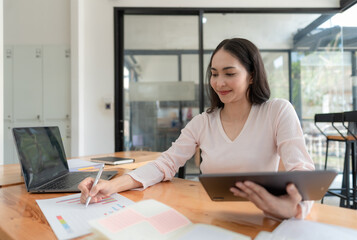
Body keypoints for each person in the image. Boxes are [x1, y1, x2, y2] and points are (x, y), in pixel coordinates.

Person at [78, 38, 315, 220]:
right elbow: (166, 163)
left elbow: (302, 169)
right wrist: (112, 185)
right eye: (214, 74)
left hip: (261, 216)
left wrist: (295, 207)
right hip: (211, 216)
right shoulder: (204, 121)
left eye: (229, 73)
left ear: (251, 76)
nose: (219, 82)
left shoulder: (277, 111)